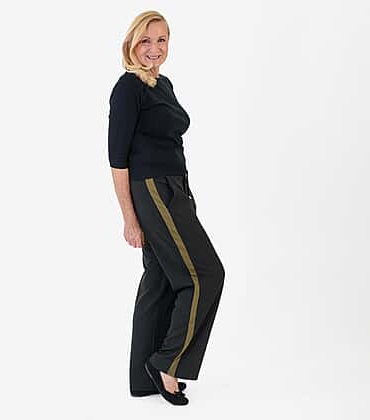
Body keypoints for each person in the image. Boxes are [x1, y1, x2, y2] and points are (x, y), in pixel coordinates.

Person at [107, 10, 225, 406]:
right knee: (206, 274)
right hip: (153, 189)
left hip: (175, 189)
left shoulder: (162, 84)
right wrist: (129, 217)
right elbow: (117, 159)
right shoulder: (128, 88)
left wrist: (185, 194)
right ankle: (166, 363)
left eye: (161, 40)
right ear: (131, 44)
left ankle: (142, 379)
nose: (154, 49)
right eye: (145, 40)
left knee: (159, 278)